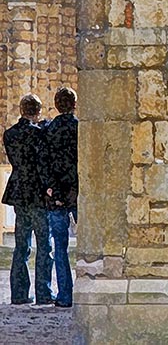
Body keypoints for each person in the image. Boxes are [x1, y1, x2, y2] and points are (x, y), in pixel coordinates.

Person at [2, 94, 53, 306]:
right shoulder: (39, 133)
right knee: (44, 246)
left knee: (21, 246)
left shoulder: (10, 134)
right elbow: (42, 163)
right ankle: (43, 292)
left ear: (22, 110)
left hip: (19, 192)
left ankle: (19, 293)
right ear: (38, 111)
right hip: (37, 193)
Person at [40, 87, 78, 307]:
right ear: (74, 104)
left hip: (56, 194)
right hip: (77, 191)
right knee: (90, 245)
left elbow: (44, 162)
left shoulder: (49, 130)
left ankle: (65, 295)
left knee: (60, 247)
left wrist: (51, 189)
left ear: (56, 105)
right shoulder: (79, 127)